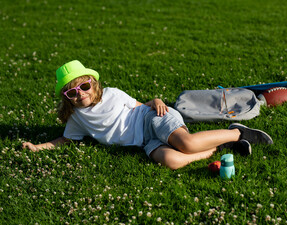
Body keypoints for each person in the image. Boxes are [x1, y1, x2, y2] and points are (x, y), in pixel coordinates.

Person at [22, 60, 273, 170]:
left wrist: (155, 101)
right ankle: (223, 146)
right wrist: (38, 146)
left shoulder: (111, 94)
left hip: (152, 118)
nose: (80, 95)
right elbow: (65, 140)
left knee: (187, 145)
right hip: (144, 141)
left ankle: (237, 131)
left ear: (92, 83)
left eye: (84, 87)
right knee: (172, 161)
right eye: (72, 93)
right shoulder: (77, 118)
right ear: (67, 99)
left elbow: (141, 105)